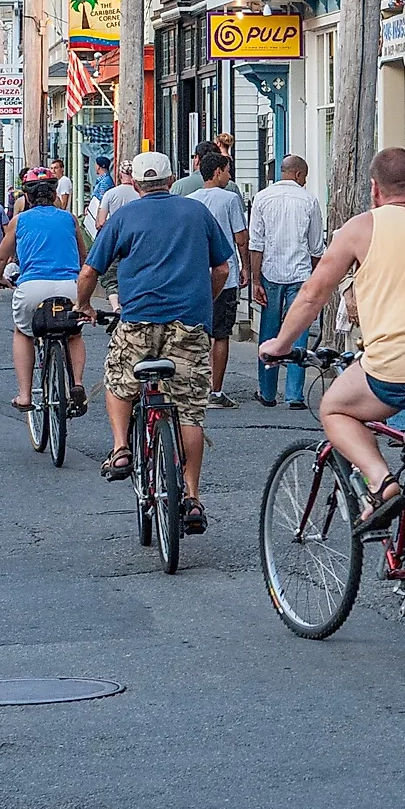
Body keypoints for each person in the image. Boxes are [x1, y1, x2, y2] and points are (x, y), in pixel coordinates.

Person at [260, 147, 405, 540]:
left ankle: (381, 484)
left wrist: (280, 343)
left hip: (398, 367)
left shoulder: (362, 228)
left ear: (374, 189)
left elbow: (313, 295)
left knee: (335, 408)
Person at [76, 152, 232, 530]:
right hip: (189, 325)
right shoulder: (196, 212)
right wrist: (202, 303)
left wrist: (84, 305)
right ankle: (192, 498)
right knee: (190, 411)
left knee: (117, 379)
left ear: (134, 183)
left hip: (139, 321)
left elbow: (90, 272)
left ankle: (120, 448)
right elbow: (222, 267)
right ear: (171, 178)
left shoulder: (124, 217)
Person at [0, 177, 92, 415]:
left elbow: (0, 257)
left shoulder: (19, 221)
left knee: (23, 333)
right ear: (55, 197)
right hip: (70, 287)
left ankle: (25, 395)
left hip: (32, 287)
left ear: (28, 199)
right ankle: (77, 383)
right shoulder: (70, 219)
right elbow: (84, 257)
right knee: (74, 334)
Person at [248, 156, 326, 408]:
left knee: (269, 333)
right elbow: (316, 247)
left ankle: (267, 392)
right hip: (300, 273)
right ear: (299, 175)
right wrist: (319, 281)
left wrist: (255, 280)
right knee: (299, 332)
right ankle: (294, 395)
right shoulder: (309, 201)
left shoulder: (262, 198)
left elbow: (256, 244)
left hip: (270, 273)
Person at [188, 151, 250, 411]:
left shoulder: (190, 201)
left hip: (195, 273)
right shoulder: (230, 199)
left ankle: (193, 385)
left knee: (195, 331)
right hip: (225, 272)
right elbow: (241, 237)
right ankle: (216, 389)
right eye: (227, 170)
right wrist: (246, 266)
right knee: (221, 333)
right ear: (217, 172)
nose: (229, 176)